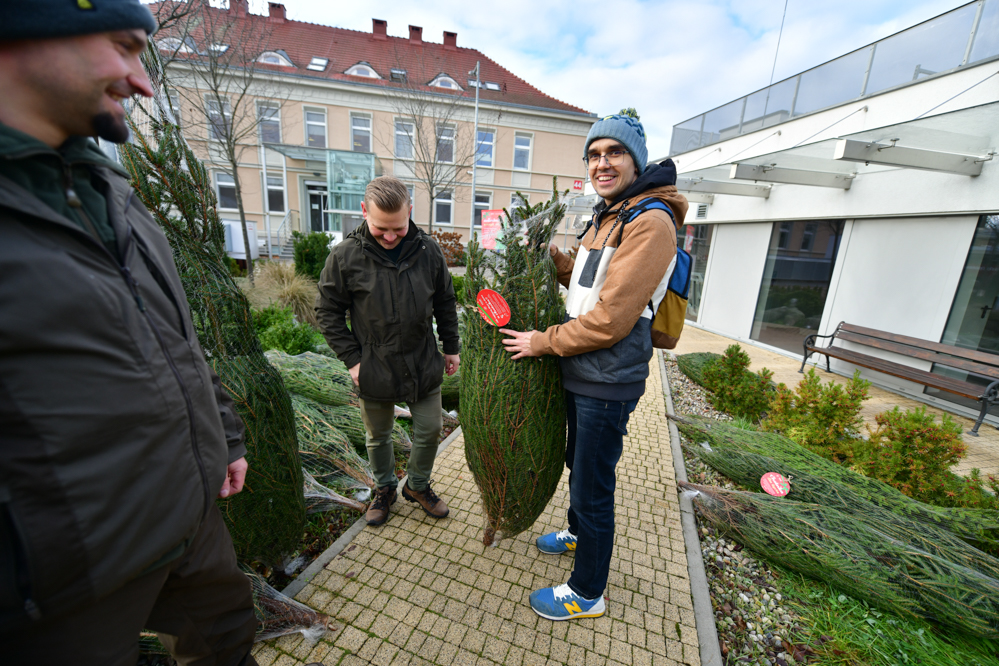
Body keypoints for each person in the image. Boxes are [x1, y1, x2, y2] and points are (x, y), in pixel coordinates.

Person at [0, 2, 263, 664]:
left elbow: (174, 338)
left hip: (193, 525)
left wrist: (223, 436)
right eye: (122, 48)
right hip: (72, 584)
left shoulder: (109, 188)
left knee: (229, 641)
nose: (141, 82)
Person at [501, 110, 688, 620]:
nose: (602, 163)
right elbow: (588, 289)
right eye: (594, 154)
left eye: (614, 153)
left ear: (635, 160)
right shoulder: (610, 213)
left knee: (593, 484)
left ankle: (587, 593)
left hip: (607, 376)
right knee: (579, 467)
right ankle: (577, 534)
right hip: (585, 370)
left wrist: (542, 341)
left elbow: (610, 320)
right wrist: (555, 259)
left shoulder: (649, 221)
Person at [316, 176, 460, 526]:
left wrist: (451, 347)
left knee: (428, 430)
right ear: (364, 211)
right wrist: (353, 360)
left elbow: (445, 300)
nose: (392, 237)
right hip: (374, 366)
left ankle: (418, 485)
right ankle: (384, 490)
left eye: (399, 227)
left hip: (422, 361)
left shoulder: (429, 251)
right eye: (382, 229)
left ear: (410, 211)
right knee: (378, 437)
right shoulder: (345, 256)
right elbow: (327, 312)